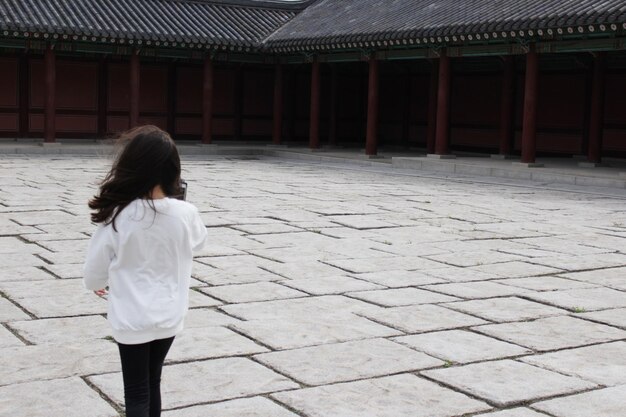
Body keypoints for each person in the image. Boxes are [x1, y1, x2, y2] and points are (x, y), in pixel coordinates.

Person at [83, 125, 208, 417]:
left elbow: (93, 272)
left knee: (137, 391)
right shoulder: (185, 213)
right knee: (153, 382)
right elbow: (200, 242)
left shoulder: (118, 215)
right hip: (170, 317)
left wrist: (99, 283)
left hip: (131, 319)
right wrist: (180, 206)